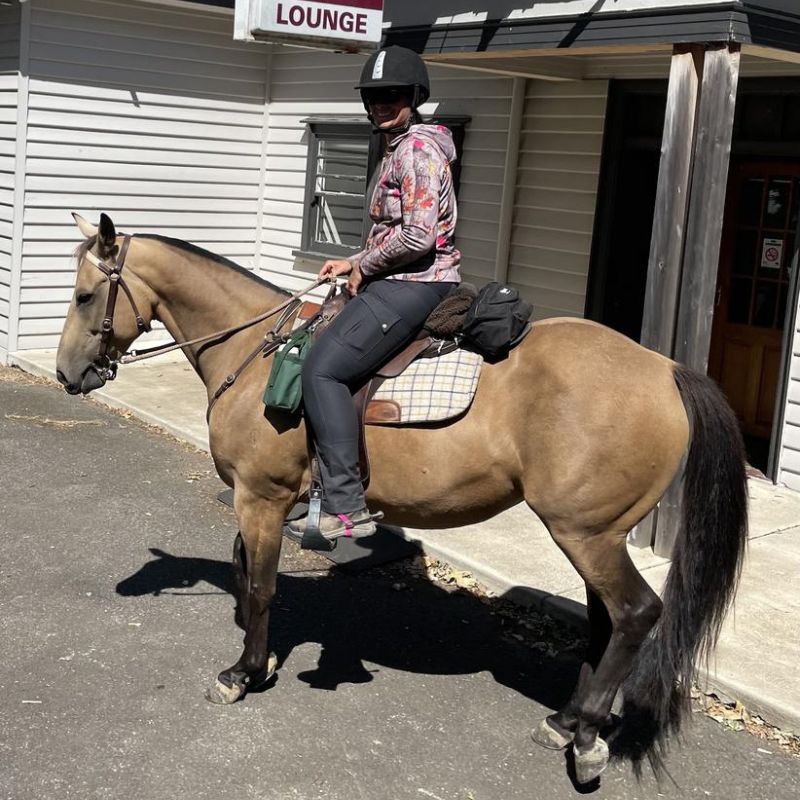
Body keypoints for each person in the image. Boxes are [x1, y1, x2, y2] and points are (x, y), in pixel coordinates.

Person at [289, 45, 462, 543]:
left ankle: (345, 504)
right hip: (399, 279)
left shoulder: (417, 151)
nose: (382, 104)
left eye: (392, 95)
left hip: (419, 284)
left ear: (413, 97)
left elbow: (418, 237)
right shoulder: (398, 147)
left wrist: (361, 263)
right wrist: (353, 261)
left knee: (322, 369)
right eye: (375, 96)